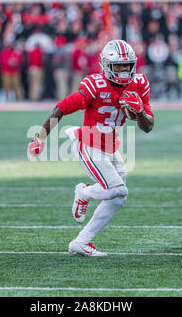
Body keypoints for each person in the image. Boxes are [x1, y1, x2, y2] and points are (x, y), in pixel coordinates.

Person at [28, 40, 154, 256]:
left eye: (127, 65)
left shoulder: (139, 84)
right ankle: (83, 191)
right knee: (119, 189)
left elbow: (148, 127)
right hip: (89, 145)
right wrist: (40, 137)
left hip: (111, 148)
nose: (123, 71)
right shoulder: (95, 85)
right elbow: (61, 108)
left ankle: (82, 241)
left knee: (119, 197)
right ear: (106, 65)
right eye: (118, 66)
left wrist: (139, 110)